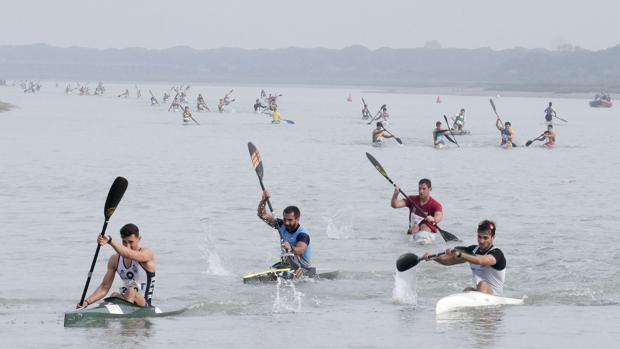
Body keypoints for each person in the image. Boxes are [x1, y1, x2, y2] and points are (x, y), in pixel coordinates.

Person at [77, 224, 156, 308]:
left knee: (131, 291)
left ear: (139, 239)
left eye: (131, 242)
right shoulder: (115, 259)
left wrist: (110, 241)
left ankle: (125, 313)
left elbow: (129, 254)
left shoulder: (147, 254)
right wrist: (87, 302)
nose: (127, 246)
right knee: (114, 295)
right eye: (124, 242)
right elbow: (104, 287)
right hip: (127, 299)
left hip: (145, 304)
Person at [422, 220, 506, 295]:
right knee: (467, 290)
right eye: (479, 237)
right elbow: (447, 261)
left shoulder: (497, 253)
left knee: (482, 284)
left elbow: (480, 260)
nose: (481, 241)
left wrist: (460, 254)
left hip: (494, 295)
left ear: (493, 237)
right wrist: (433, 257)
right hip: (479, 291)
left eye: (485, 238)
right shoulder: (472, 250)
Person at [257, 191, 312, 275]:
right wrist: (263, 200)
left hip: (302, 269)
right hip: (287, 265)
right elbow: (262, 215)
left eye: (290, 220)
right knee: (271, 271)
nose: (286, 223)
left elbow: (300, 250)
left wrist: (290, 248)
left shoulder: (302, 234)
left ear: (297, 219)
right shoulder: (281, 225)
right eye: (285, 219)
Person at [391, 178, 443, 243]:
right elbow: (395, 205)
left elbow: (439, 217)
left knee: (424, 226)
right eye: (419, 188)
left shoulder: (435, 204)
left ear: (430, 189)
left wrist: (433, 218)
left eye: (424, 189)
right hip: (413, 231)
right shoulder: (412, 199)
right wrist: (395, 194)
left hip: (428, 233)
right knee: (415, 226)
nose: (421, 191)